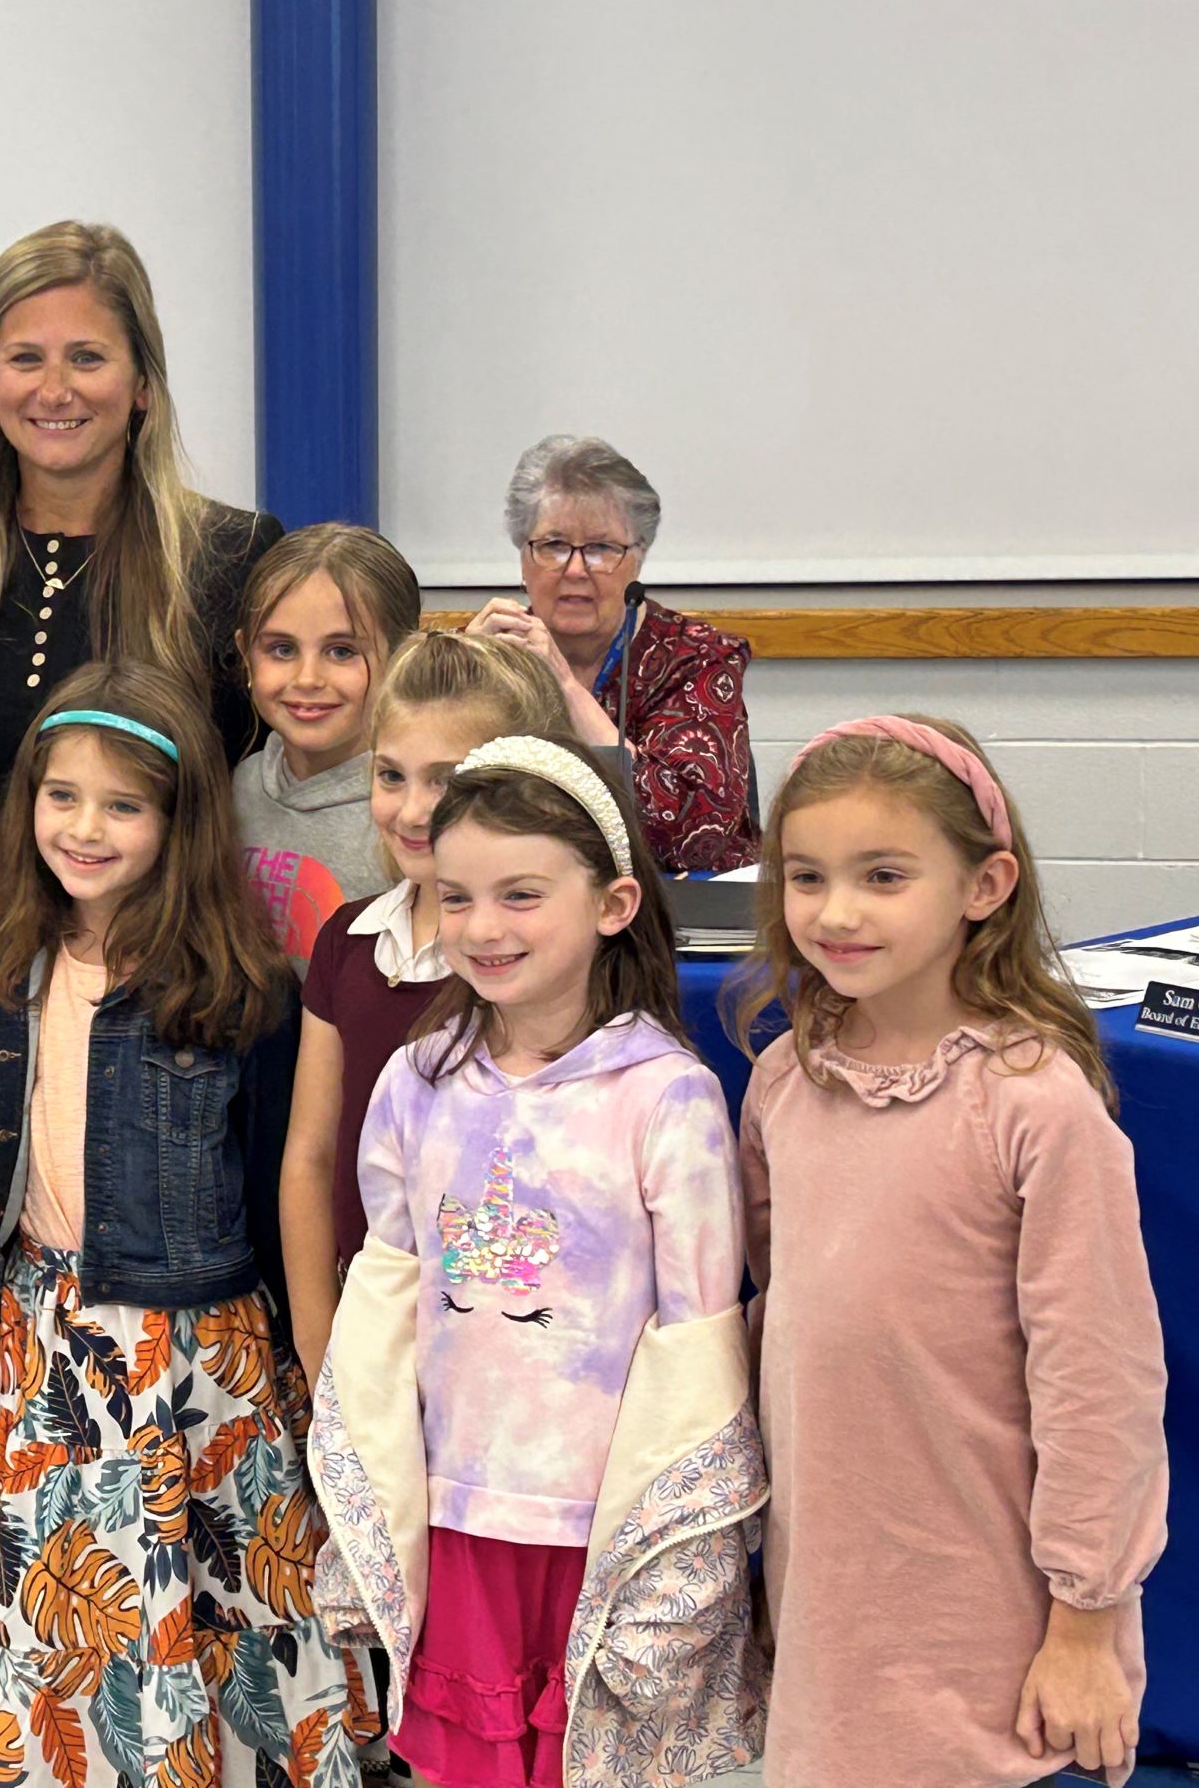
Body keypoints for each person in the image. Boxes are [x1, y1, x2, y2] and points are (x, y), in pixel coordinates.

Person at [308, 733, 765, 1788]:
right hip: (459, 1513)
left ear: (610, 905)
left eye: (521, 895)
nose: (482, 927)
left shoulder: (667, 1098)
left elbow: (696, 1344)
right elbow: (384, 1302)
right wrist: (364, 1497)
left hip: (598, 1532)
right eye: (456, 897)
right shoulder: (417, 1080)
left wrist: (682, 1559)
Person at [729, 715, 1168, 1788]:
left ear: (984, 885)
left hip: (982, 1607)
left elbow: (1098, 1384)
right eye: (807, 876)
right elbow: (775, 1311)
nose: (835, 912)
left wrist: (1084, 1618)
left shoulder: (1035, 1107)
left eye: (883, 875)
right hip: (831, 1587)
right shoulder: (786, 1081)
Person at [0, 661, 370, 1788]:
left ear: (178, 819)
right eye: (62, 796)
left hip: (200, 1351)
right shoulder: (14, 965)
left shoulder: (238, 985)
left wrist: (304, 1352)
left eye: (123, 805)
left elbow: (285, 1173)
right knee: (73, 1613)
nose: (85, 829)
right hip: (50, 1337)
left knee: (226, 1611)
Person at [0, 221, 284, 890]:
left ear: (143, 382)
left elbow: (260, 798)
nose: (55, 390)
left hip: (145, 968)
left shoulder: (231, 555)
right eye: (26, 358)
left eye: (87, 358)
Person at [280, 631, 571, 1386]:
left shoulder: (529, 961)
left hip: (502, 1348)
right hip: (366, 1339)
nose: (412, 810)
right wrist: (321, 1352)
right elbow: (311, 1159)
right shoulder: (348, 940)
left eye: (446, 782)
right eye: (391, 775)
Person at [463, 436, 758, 872]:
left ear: (638, 559)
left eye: (601, 548)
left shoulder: (696, 659)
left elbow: (690, 838)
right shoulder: (487, 650)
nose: (576, 570)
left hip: (674, 914)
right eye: (554, 545)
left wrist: (564, 685)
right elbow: (425, 800)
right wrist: (458, 678)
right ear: (523, 558)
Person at [230, 523, 423, 972]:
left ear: (401, 657)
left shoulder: (413, 812)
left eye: (341, 651)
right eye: (281, 649)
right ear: (246, 655)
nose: (308, 679)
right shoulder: (239, 787)